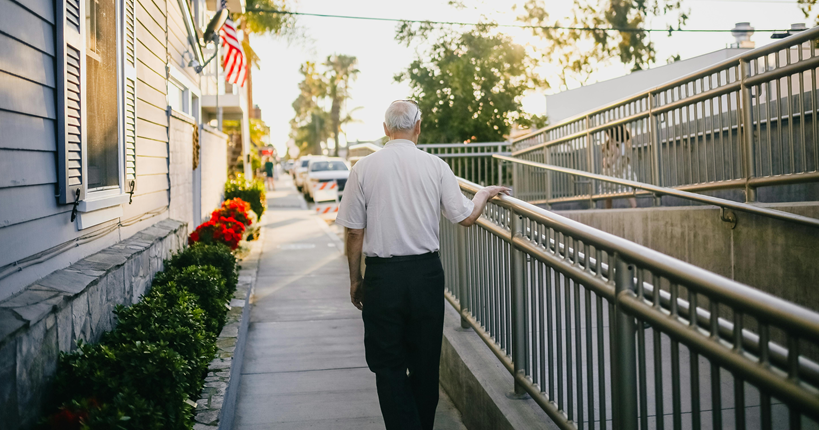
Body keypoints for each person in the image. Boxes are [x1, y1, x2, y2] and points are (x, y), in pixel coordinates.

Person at [335, 100, 510, 430]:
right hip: (425, 275)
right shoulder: (436, 166)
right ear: (418, 127)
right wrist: (483, 193)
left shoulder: (363, 168)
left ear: (385, 129)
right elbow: (466, 217)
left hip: (383, 278)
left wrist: (355, 279)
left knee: (388, 366)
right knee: (425, 362)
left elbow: (355, 232)